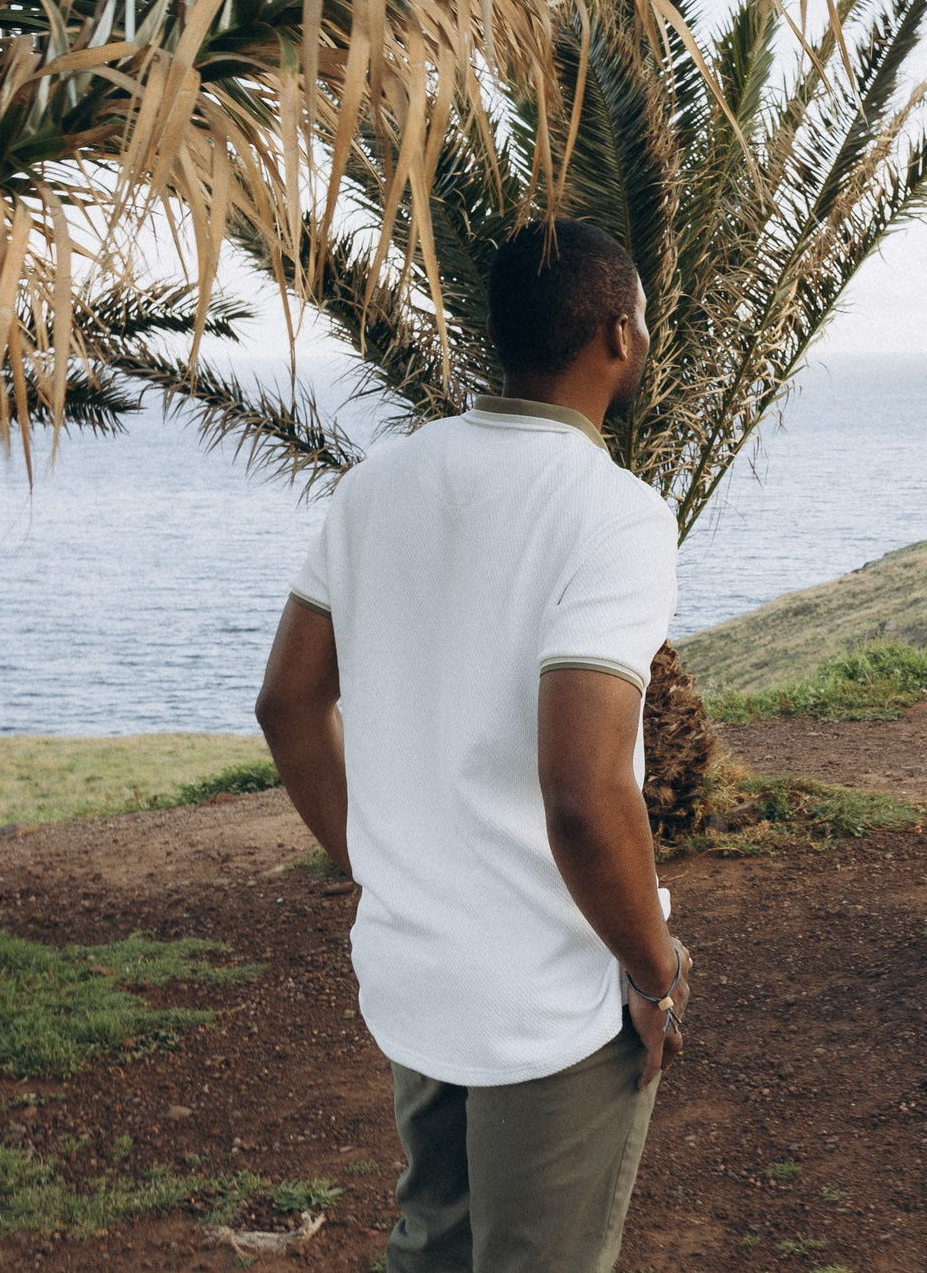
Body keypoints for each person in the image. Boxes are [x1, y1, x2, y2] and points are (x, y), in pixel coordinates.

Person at [254, 218, 690, 1273]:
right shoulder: (615, 515)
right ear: (620, 338)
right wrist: (653, 969)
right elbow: (584, 792)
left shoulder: (377, 486)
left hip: (415, 962)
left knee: (433, 1242)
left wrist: (379, 865)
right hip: (542, 987)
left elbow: (286, 704)